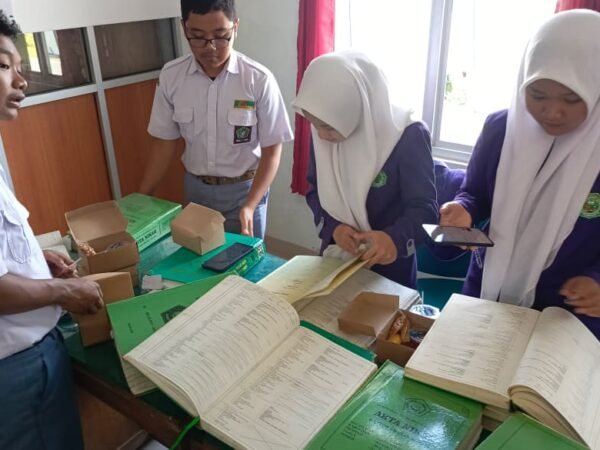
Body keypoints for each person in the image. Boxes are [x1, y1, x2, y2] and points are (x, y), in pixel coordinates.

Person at [440, 10, 600, 339]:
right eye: (537, 94)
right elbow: (475, 193)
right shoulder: (501, 129)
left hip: (564, 312)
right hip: (487, 287)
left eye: (572, 98)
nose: (552, 111)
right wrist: (463, 209)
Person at [0, 13, 105, 449]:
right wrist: (63, 291)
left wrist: (32, 259)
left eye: (19, 67)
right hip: (17, 369)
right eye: (4, 66)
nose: (21, 81)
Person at [139, 0, 293, 240]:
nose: (210, 47)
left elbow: (272, 151)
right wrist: (142, 196)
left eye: (221, 36)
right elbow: (164, 143)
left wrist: (250, 205)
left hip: (245, 192)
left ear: (235, 27)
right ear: (184, 28)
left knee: (244, 260)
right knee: (199, 257)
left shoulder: (258, 79)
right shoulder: (171, 77)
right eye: (198, 37)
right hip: (196, 191)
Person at [294, 51, 438, 288]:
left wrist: (393, 239)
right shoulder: (324, 129)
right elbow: (315, 190)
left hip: (390, 268)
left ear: (356, 111)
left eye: (327, 127)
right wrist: (333, 228)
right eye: (314, 125)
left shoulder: (407, 136)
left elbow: (425, 210)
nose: (321, 136)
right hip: (337, 258)